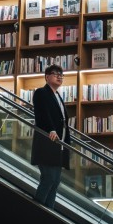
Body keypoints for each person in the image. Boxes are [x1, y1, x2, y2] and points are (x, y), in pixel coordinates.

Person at [31, 64, 71, 209]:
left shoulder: (58, 96)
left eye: (61, 74)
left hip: (58, 145)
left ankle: (50, 211)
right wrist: (51, 129)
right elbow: (42, 114)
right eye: (56, 74)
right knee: (48, 178)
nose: (60, 76)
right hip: (47, 141)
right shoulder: (41, 92)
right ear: (47, 77)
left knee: (55, 181)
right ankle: (38, 210)